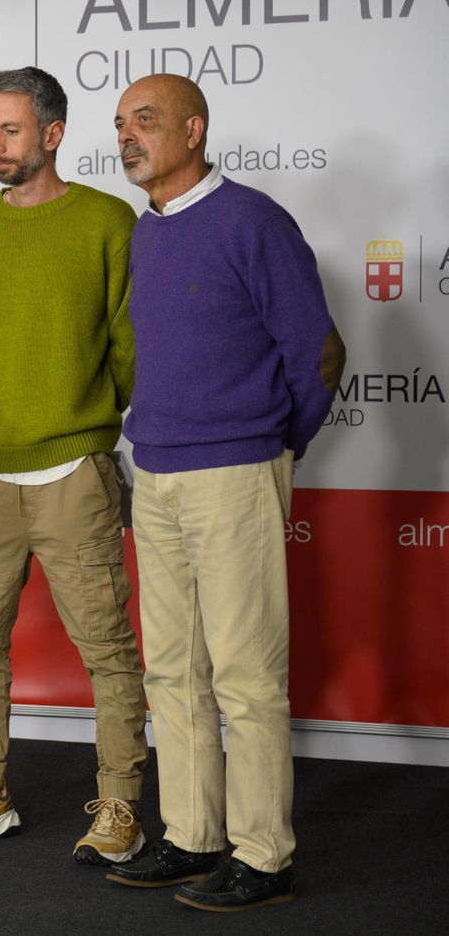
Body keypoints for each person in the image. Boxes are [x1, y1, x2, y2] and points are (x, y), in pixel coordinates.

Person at [105, 75, 344, 910]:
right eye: (121, 124)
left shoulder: (253, 219)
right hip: (157, 469)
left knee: (245, 675)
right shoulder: (145, 232)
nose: (127, 136)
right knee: (173, 669)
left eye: (146, 120)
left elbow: (319, 354)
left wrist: (276, 448)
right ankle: (192, 835)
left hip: (236, 470)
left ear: (195, 129)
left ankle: (264, 854)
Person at [0, 67, 149, 866]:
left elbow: (127, 345)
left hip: (74, 466)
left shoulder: (107, 220)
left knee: (108, 647)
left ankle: (121, 803)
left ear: (53, 134)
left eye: (11, 130)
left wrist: (84, 418)